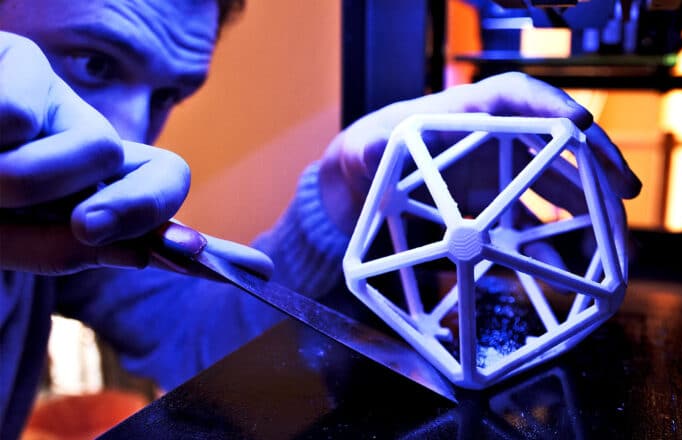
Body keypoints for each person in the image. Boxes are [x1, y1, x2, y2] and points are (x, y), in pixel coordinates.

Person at [0, 0, 641, 438]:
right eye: (94, 64)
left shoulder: (64, 235)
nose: (132, 130)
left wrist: (342, 189)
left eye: (168, 94)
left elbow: (198, 345)